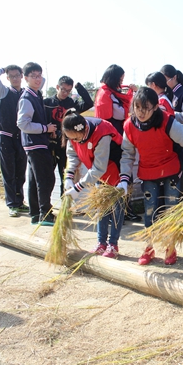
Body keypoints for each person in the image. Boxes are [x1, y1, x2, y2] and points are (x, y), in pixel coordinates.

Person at [119, 87, 183, 266]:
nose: (140, 112)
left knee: (171, 210)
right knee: (150, 211)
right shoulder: (129, 126)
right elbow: (127, 154)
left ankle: (170, 247)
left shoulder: (167, 122)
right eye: (137, 107)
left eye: (145, 108)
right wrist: (124, 178)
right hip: (148, 173)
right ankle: (149, 248)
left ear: (156, 107)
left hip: (171, 171)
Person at [62, 110, 123, 259]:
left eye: (76, 138)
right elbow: (72, 155)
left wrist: (79, 186)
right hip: (97, 174)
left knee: (116, 209)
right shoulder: (72, 133)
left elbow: (99, 167)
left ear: (83, 130)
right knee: (101, 207)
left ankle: (113, 244)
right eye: (71, 139)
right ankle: (101, 243)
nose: (74, 141)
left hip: (115, 170)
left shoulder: (102, 132)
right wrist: (69, 176)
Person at [94, 64, 141, 222]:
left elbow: (125, 109)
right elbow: (104, 120)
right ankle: (110, 210)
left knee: (125, 173)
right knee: (111, 175)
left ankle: (126, 209)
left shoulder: (115, 93)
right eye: (120, 78)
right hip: (110, 140)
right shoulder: (104, 94)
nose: (122, 80)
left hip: (120, 137)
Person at [16, 62, 56, 226]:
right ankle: (45, 213)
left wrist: (38, 77)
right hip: (36, 143)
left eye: (39, 75)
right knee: (45, 179)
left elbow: (42, 80)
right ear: (25, 78)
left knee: (34, 181)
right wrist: (45, 128)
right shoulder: (27, 98)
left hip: (35, 144)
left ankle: (35, 214)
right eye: (33, 76)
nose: (38, 79)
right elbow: (22, 124)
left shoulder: (35, 93)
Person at [0, 65, 28, 218]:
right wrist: (3, 69)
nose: (15, 78)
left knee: (20, 171)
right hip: (6, 137)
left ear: (22, 76)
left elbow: (42, 80)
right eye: (11, 76)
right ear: (8, 78)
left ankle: (19, 202)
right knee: (9, 172)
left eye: (17, 75)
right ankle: (12, 204)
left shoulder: (26, 93)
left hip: (21, 137)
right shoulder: (4, 92)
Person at [45, 76, 94, 197]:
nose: (65, 93)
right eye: (63, 90)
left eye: (68, 91)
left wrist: (79, 88)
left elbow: (89, 103)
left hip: (65, 145)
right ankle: (45, 205)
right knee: (47, 177)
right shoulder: (47, 103)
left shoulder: (71, 103)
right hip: (49, 145)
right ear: (57, 87)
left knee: (66, 176)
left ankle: (66, 205)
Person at [160, 64, 183, 194]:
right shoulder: (169, 93)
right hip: (173, 138)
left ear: (174, 77)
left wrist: (170, 114)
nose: (164, 82)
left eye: (166, 79)